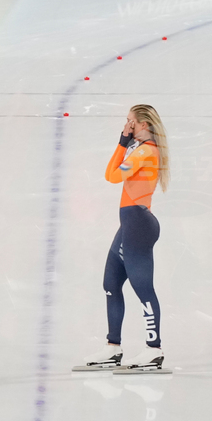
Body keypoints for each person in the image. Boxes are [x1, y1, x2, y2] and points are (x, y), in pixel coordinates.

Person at [82, 104, 171, 370]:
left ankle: (153, 349)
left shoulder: (145, 151)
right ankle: (113, 347)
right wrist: (124, 142)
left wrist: (122, 142)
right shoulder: (141, 149)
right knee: (111, 283)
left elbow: (111, 176)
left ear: (143, 125)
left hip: (138, 224)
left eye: (130, 121)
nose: (127, 125)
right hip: (130, 224)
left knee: (143, 289)